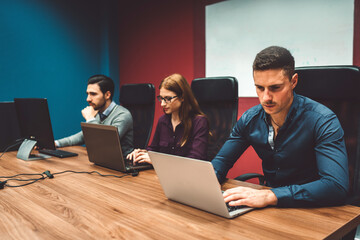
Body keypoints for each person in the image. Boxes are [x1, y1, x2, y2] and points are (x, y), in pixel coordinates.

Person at [212, 46, 349, 208]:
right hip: (269, 206)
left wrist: (271, 195)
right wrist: (205, 183)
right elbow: (221, 161)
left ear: (293, 81)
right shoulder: (250, 119)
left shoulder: (323, 120)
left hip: (313, 208)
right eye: (260, 88)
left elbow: (335, 186)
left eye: (275, 88)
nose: (266, 97)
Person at [127, 73, 209, 164]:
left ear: (182, 97)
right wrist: (142, 153)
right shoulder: (163, 121)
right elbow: (154, 149)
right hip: (164, 175)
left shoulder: (199, 122)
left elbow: (195, 160)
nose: (162, 104)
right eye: (161, 98)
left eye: (168, 99)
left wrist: (157, 161)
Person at [55, 74, 134, 157]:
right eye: (88, 94)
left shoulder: (123, 115)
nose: (88, 99)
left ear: (107, 95)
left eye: (93, 94)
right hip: (102, 160)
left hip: (122, 163)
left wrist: (90, 119)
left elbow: (105, 142)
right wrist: (56, 143)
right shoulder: (98, 112)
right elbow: (82, 136)